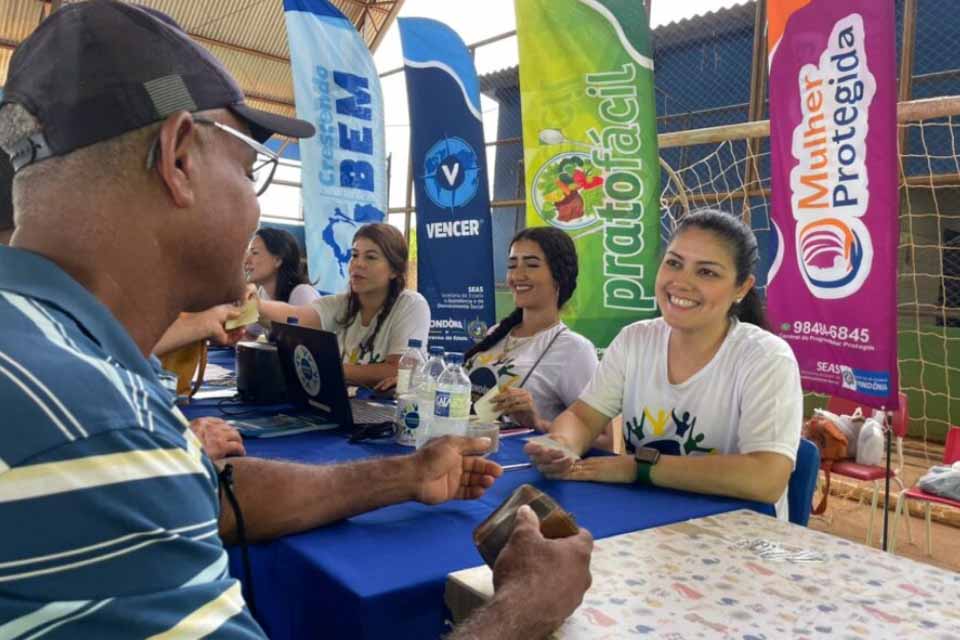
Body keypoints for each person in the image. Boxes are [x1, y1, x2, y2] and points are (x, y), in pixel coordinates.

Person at [0, 3, 591, 638]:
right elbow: (137, 469)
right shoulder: (89, 425)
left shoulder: (63, 353)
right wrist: (527, 606)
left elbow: (208, 489)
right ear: (177, 158)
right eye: (251, 168)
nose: (256, 211)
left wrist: (407, 473)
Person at [526, 209, 803, 521]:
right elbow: (583, 416)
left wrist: (639, 468)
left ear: (741, 288)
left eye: (707, 272)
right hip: (644, 525)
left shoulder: (766, 358)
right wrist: (561, 445)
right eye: (674, 263)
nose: (681, 282)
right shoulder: (635, 340)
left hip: (737, 542)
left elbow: (766, 477)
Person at [259, 222, 430, 388]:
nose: (358, 263)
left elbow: (399, 370)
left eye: (370, 257)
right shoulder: (341, 304)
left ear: (394, 270)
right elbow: (294, 316)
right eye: (355, 255)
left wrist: (327, 368)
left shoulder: (411, 305)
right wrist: (251, 305)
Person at [465, 227, 598, 432]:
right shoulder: (496, 333)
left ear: (559, 276)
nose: (517, 275)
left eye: (532, 265)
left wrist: (537, 423)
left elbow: (604, 441)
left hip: (518, 461)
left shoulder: (574, 350)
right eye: (512, 265)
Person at [243, 227, 319, 336]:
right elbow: (249, 334)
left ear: (278, 260)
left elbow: (309, 343)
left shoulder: (302, 293)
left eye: (254, 253)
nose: (246, 260)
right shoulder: (262, 293)